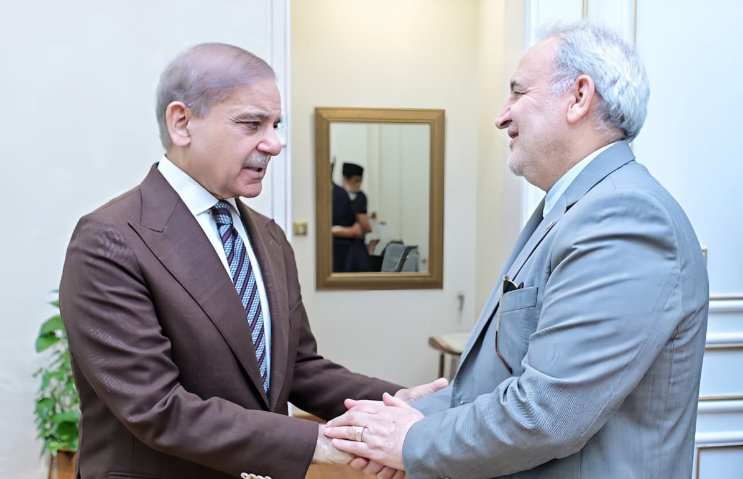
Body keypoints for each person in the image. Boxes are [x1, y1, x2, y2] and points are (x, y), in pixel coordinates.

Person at [325, 21, 709, 479]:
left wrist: (410, 440)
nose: (501, 116)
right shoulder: (573, 209)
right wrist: (406, 421)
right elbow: (497, 384)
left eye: (518, 92)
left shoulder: (624, 215)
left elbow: (550, 412)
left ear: (579, 97)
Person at [59, 42, 445, 479]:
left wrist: (393, 405)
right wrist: (323, 443)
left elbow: (297, 368)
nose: (274, 144)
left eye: (275, 125)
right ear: (182, 123)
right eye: (251, 123)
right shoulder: (110, 239)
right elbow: (156, 407)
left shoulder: (269, 236)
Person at [331, 162, 372, 272]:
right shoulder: (341, 195)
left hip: (347, 251)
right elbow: (361, 228)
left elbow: (360, 230)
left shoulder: (359, 197)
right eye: (357, 180)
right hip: (343, 252)